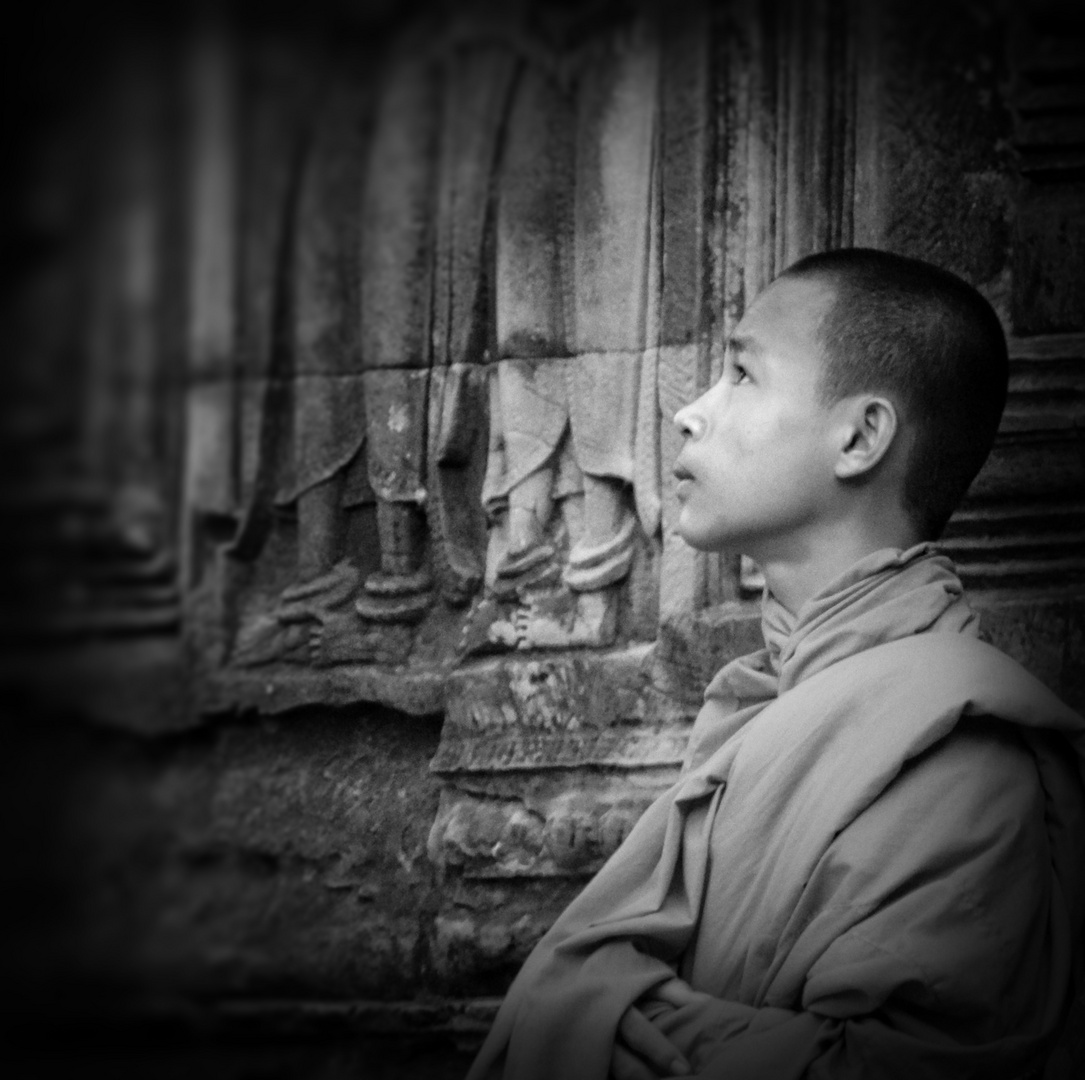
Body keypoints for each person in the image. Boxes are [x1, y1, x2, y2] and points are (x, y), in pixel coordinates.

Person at [466, 248, 1085, 1080]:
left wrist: (592, 1006)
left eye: (741, 375)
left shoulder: (961, 753)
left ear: (860, 437)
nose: (689, 412)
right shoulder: (767, 701)